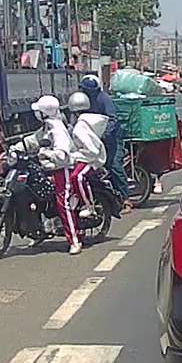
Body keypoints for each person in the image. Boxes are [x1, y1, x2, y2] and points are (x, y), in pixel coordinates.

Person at [15, 95, 83, 254]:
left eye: (38, 111)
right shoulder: (47, 126)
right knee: (34, 195)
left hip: (62, 170)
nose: (36, 114)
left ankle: (74, 241)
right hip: (48, 169)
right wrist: (16, 148)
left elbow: (62, 154)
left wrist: (47, 154)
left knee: (63, 203)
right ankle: (39, 232)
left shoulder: (57, 129)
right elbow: (34, 140)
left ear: (44, 113)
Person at [78, 75, 133, 211]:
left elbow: (113, 119)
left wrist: (104, 134)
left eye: (88, 91)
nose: (87, 93)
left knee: (114, 166)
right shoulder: (82, 100)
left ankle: (126, 199)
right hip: (92, 139)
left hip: (111, 139)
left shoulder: (104, 99)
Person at [65, 91, 108, 221]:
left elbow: (91, 151)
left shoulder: (80, 127)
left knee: (77, 177)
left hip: (92, 160)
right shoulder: (84, 123)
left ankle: (88, 205)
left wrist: (75, 156)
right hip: (87, 157)